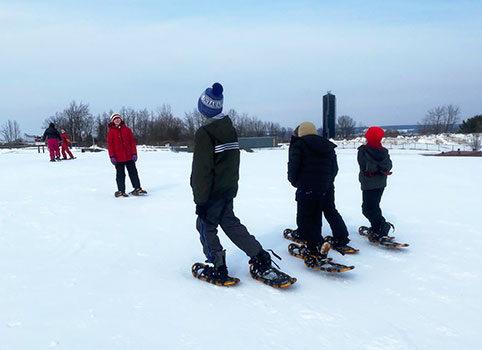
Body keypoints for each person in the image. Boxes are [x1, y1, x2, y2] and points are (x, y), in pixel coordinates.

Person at [191, 82, 295, 287]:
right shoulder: (229, 129)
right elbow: (231, 164)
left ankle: (218, 266)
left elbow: (201, 171)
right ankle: (260, 256)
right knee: (230, 223)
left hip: (211, 193)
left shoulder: (205, 133)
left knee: (205, 225)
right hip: (227, 190)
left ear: (204, 108)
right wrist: (230, 188)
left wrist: (200, 200)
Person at [288, 122, 355, 258]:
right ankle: (315, 246)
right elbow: (334, 168)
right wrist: (326, 182)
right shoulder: (327, 146)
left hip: (306, 186)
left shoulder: (299, 145)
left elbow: (293, 167)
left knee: (304, 219)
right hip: (325, 186)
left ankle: (317, 244)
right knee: (317, 216)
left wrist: (296, 182)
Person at [357, 126, 393, 241]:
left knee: (367, 208)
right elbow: (389, 165)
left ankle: (381, 226)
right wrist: (380, 168)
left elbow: (363, 166)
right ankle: (377, 227)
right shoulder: (384, 151)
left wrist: (373, 169)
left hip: (368, 184)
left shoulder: (363, 151)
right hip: (381, 183)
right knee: (374, 206)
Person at [107, 113, 147, 197]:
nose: (117, 120)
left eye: (118, 118)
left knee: (133, 173)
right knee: (120, 174)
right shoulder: (111, 132)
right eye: (115, 119)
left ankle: (137, 188)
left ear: (120, 119)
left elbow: (132, 142)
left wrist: (134, 153)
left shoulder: (127, 130)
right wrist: (112, 156)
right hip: (118, 158)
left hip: (129, 156)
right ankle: (121, 190)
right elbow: (110, 145)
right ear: (113, 121)